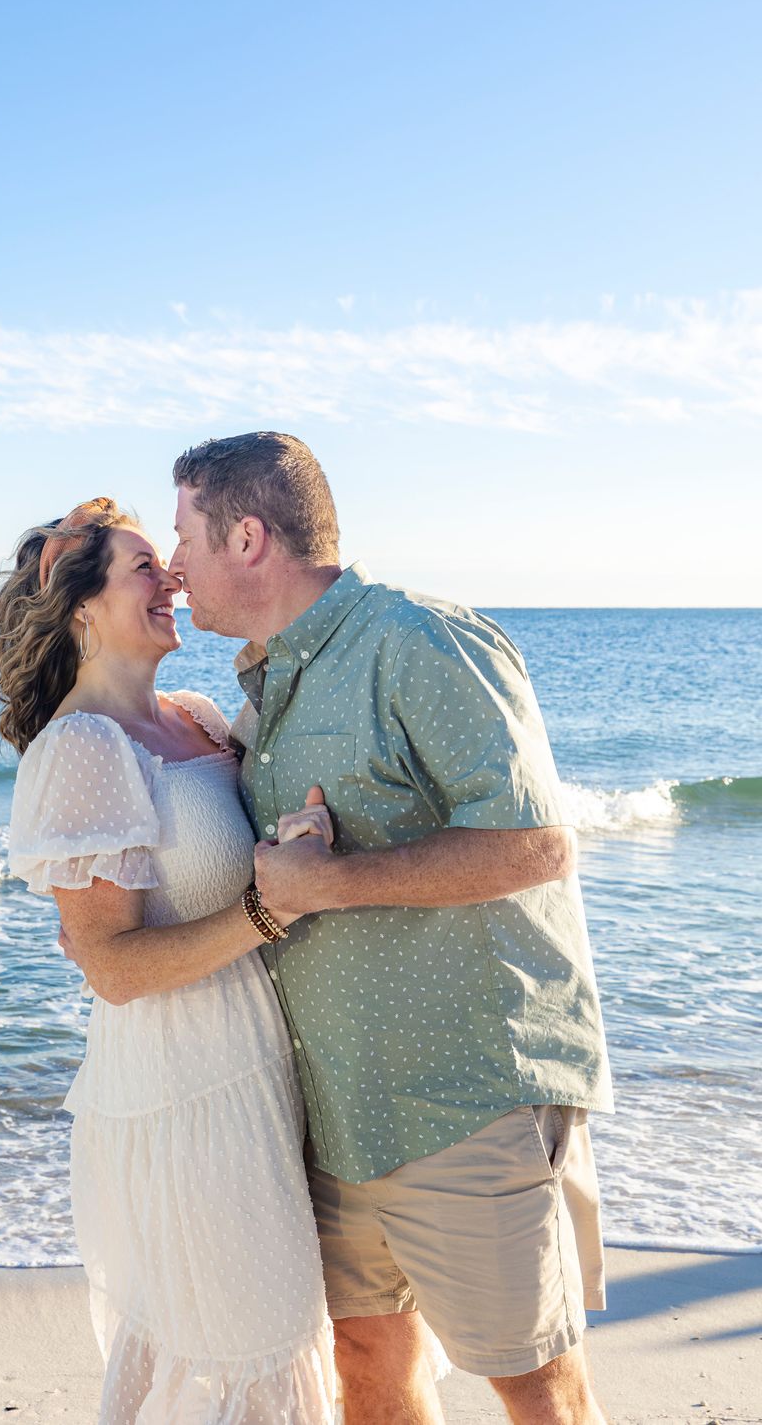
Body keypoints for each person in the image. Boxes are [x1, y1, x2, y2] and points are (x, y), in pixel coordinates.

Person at [167, 432, 615, 1425]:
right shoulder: (267, 681)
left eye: (184, 535)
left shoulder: (420, 640)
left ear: (247, 537)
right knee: (367, 1361)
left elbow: (537, 846)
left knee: (533, 1380)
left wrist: (330, 884)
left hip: (468, 1095)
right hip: (335, 1109)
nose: (172, 564)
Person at [0, 498, 337, 1424]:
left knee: (192, 1332)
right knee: (257, 1332)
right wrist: (270, 907)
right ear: (82, 608)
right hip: (180, 1086)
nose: (172, 579)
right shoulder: (84, 747)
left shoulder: (192, 716)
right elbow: (113, 968)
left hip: (250, 1062)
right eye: (145, 567)